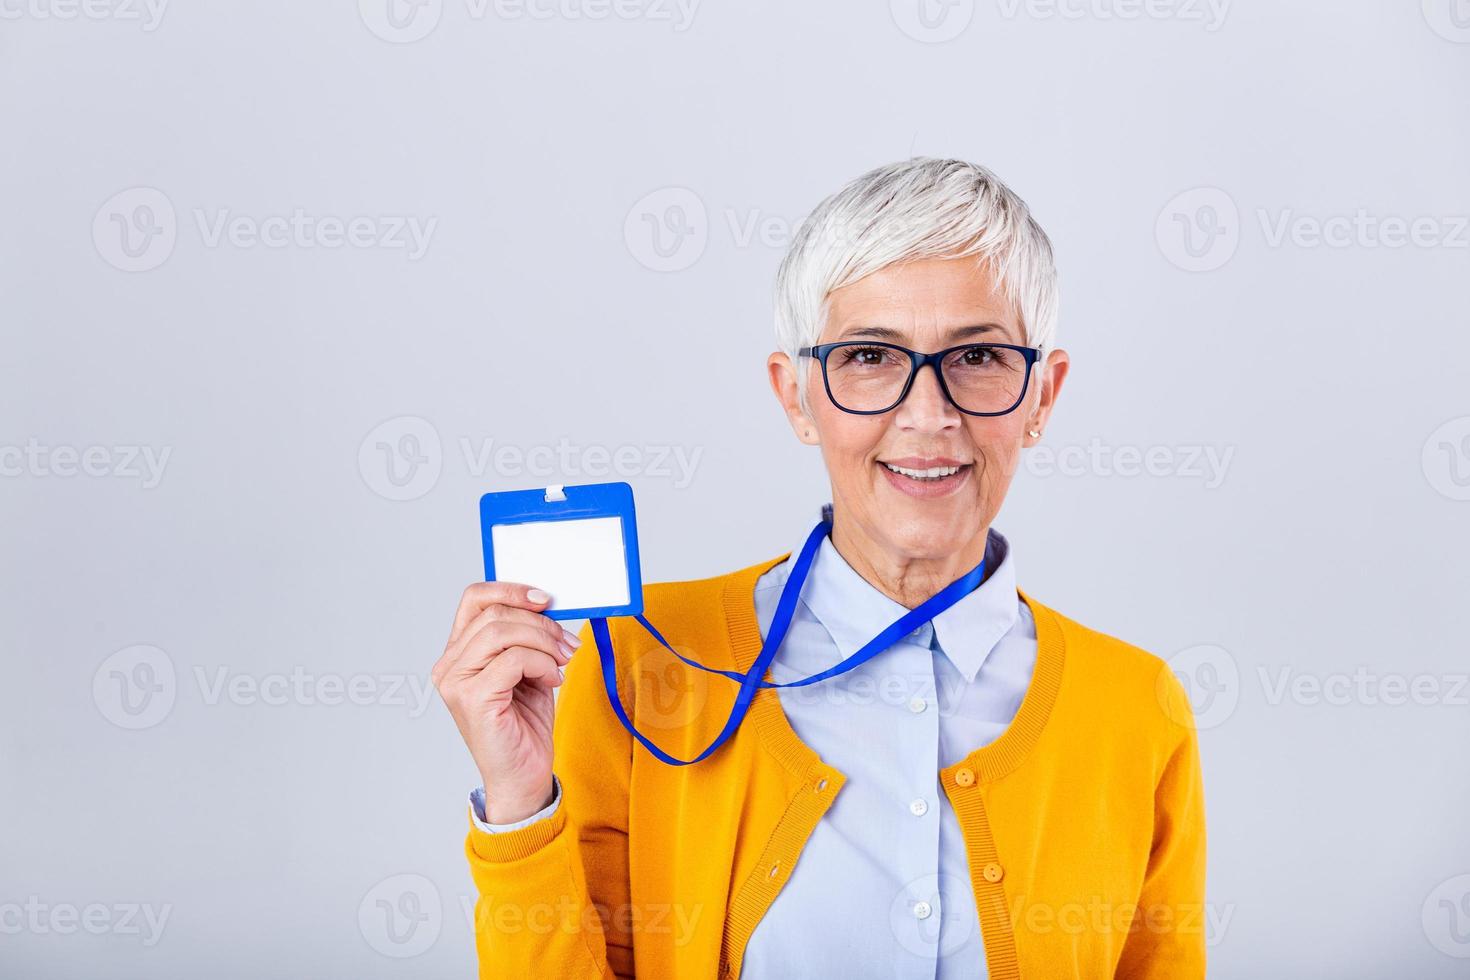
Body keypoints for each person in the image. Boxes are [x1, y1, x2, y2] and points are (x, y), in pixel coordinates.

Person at [433, 157, 1207, 978]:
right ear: (797, 396)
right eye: (871, 356)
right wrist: (520, 810)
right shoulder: (641, 660)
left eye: (978, 359)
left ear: (1042, 397)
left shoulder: (1138, 709)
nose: (929, 413)